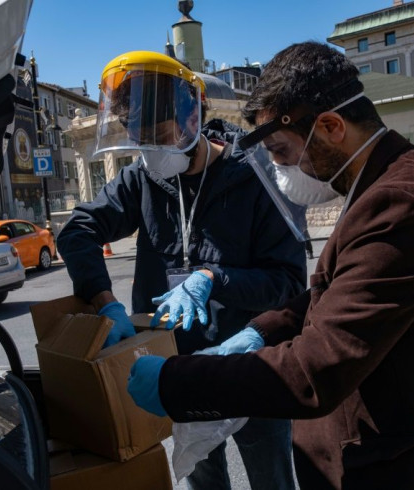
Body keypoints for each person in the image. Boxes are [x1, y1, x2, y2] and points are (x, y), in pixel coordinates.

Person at [127, 42, 414, 489]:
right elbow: (340, 294)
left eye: (282, 151)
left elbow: (316, 370)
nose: (280, 168)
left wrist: (177, 382)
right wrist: (260, 332)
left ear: (330, 126)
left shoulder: (403, 204)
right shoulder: (383, 181)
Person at [57, 51, 306, 490]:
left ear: (192, 118)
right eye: (140, 139)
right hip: (181, 370)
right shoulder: (143, 180)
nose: (151, 150)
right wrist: (106, 302)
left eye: (160, 135)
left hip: (250, 365)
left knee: (271, 475)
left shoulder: (257, 177)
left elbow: (287, 284)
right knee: (201, 476)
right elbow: (78, 230)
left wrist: (213, 279)